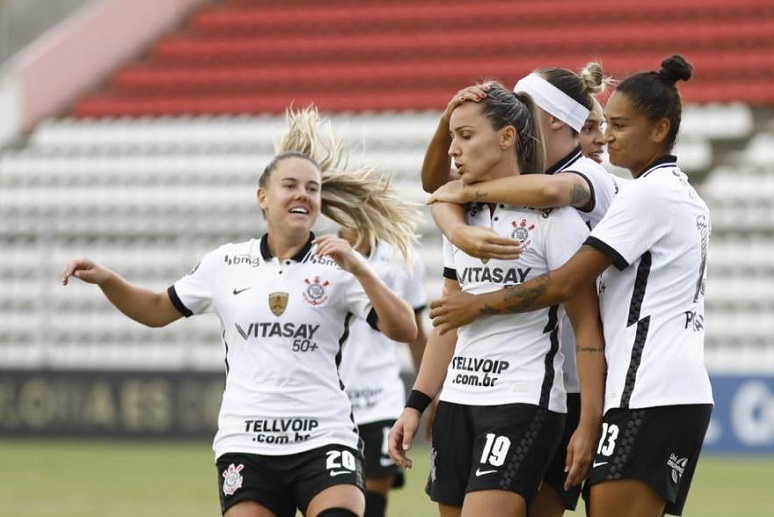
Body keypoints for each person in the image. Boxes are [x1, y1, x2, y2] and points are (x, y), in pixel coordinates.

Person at [61, 107, 421, 517]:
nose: (304, 194)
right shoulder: (226, 262)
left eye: (313, 188)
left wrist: (360, 267)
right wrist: (109, 279)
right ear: (262, 197)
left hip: (324, 437)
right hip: (247, 444)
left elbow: (405, 328)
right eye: (290, 185)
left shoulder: (338, 266)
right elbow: (157, 310)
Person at [429, 55, 714, 517]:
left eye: (618, 125)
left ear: (659, 130)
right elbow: (438, 189)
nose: (605, 135)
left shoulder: (638, 192)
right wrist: (457, 216)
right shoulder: (668, 191)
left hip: (644, 387)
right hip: (658, 388)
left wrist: (477, 304)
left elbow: (563, 281)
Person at [388, 82, 606, 517]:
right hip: (457, 401)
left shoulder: (555, 215)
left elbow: (586, 324)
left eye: (466, 136)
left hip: (521, 399)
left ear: (506, 137)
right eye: (453, 138)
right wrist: (415, 405)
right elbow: (449, 322)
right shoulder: (462, 221)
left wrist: (588, 422)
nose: (454, 150)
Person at [336, 226, 430, 517]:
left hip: (381, 396)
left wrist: (430, 392)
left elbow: (415, 331)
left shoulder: (403, 258)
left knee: (374, 496)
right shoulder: (319, 257)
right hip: (332, 400)